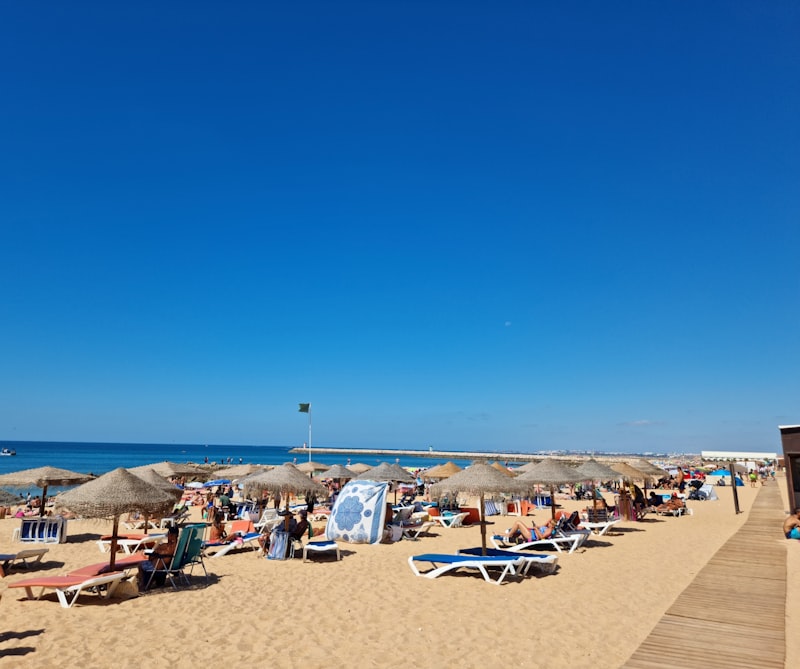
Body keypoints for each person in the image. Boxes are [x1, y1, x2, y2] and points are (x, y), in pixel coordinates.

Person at [138, 526, 179, 590]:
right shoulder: (177, 545)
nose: (168, 536)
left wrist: (157, 552)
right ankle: (146, 583)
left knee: (141, 564)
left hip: (159, 567)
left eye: (169, 534)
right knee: (150, 558)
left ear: (172, 535)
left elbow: (164, 553)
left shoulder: (171, 547)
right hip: (165, 566)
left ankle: (143, 585)